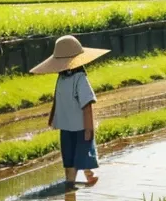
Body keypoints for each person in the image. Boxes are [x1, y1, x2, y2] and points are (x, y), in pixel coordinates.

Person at [30, 35, 110, 188]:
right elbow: (86, 106)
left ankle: (71, 184)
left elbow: (62, 102)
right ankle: (86, 177)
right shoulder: (79, 79)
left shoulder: (63, 79)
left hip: (69, 127)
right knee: (82, 153)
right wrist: (89, 129)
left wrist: (54, 120)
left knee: (71, 157)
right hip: (79, 127)